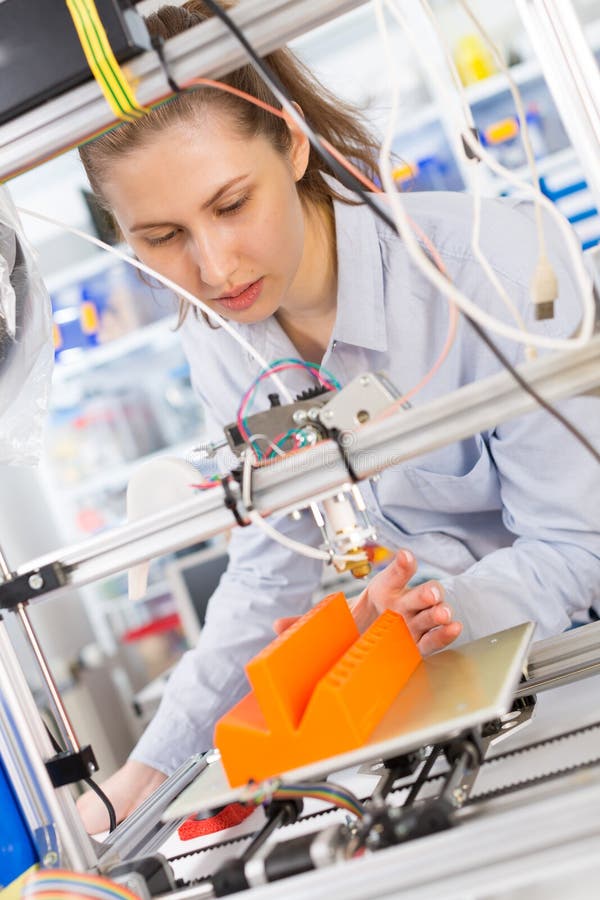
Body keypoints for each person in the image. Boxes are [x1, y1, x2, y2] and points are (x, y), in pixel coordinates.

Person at [76, 1, 599, 832]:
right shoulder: (222, 341)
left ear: (291, 141)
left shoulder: (491, 270)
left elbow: (579, 546)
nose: (214, 268)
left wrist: (429, 619)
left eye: (231, 205)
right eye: (163, 236)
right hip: (446, 691)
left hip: (575, 664)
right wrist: (141, 778)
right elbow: (266, 570)